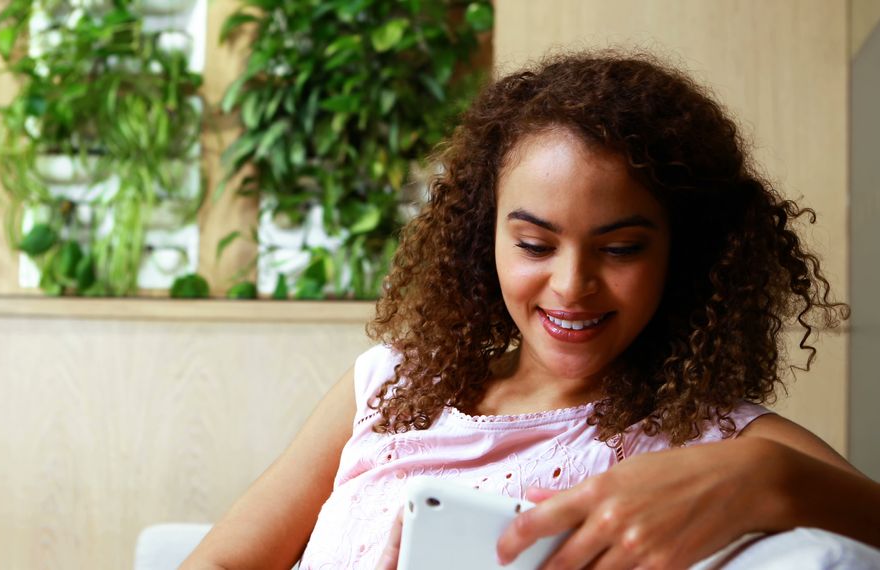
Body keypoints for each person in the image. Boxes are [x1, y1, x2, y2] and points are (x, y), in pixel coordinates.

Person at [182, 49, 880, 569]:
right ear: (483, 237)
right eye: (534, 243)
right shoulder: (388, 383)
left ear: (683, 254)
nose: (572, 285)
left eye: (622, 248)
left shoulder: (719, 439)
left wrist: (771, 479)